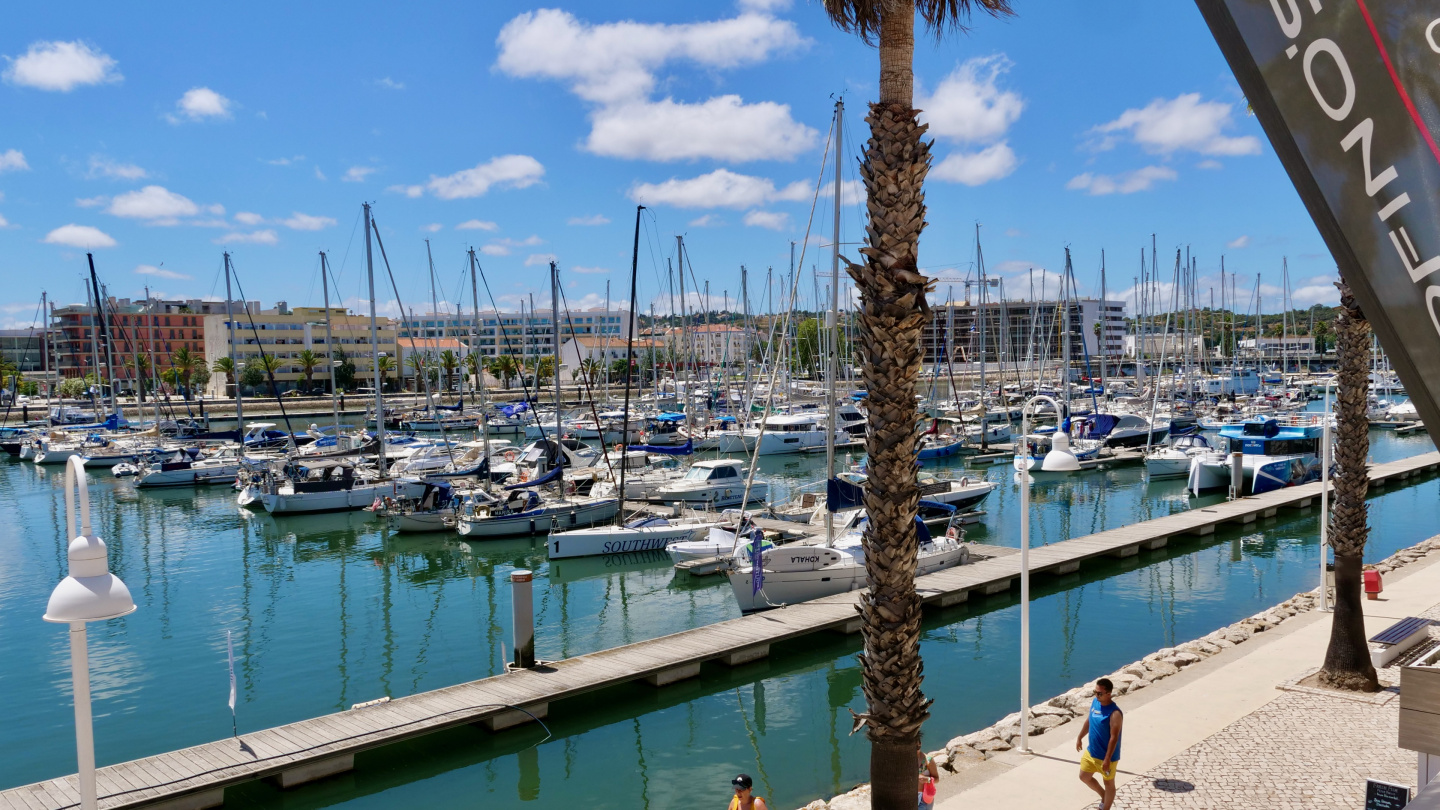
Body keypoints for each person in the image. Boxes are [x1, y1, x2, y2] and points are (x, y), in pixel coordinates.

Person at [1076, 677, 1124, 810]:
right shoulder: (1095, 703)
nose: (1096, 695)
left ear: (1109, 694)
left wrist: (1107, 759)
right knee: (1084, 776)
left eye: (1099, 693)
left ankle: (1106, 807)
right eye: (1095, 692)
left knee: (1109, 783)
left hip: (1107, 757)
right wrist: (1080, 737)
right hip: (1091, 752)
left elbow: (1114, 738)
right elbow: (1089, 720)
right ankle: (1103, 795)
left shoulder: (1115, 713)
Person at [918, 743, 939, 809]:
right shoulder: (905, 761)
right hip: (908, 797)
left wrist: (928, 779)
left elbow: (937, 779)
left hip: (924, 797)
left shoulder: (928, 760)